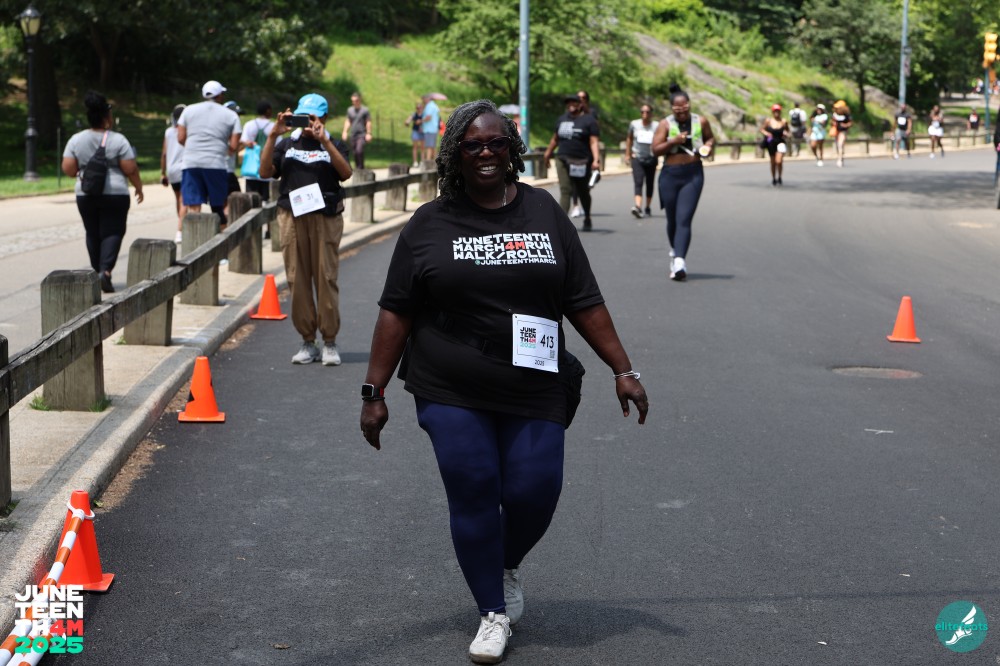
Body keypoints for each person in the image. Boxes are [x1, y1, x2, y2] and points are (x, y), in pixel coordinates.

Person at [358, 98, 648, 664]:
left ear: (512, 149)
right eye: (473, 145)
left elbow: (583, 299)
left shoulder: (543, 211)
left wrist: (624, 369)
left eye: (496, 143)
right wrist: (375, 392)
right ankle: (492, 611)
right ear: (454, 154)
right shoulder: (429, 223)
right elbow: (396, 312)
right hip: (450, 383)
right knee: (473, 487)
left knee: (535, 490)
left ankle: (504, 563)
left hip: (534, 379)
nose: (486, 153)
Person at [259, 93, 352, 366]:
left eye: (312, 118)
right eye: (303, 117)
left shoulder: (334, 143)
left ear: (324, 118)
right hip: (292, 216)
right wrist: (272, 136)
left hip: (325, 217)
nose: (308, 123)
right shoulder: (287, 143)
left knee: (326, 278)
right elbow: (265, 172)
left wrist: (325, 141)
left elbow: (345, 173)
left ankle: (330, 341)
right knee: (296, 279)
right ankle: (308, 341)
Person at [61, 90, 144, 294]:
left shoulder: (76, 140)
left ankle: (97, 271)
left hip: (86, 193)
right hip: (115, 192)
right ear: (107, 117)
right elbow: (130, 168)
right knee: (113, 231)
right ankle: (105, 271)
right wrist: (139, 187)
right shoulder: (118, 140)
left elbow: (69, 169)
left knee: (92, 232)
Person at [651, 85, 715, 281]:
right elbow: (655, 149)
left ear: (689, 105)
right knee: (672, 220)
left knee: (684, 219)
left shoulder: (700, 121)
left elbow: (710, 138)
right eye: (677, 108)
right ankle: (675, 250)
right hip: (670, 175)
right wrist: (673, 142)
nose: (682, 111)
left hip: (693, 173)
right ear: (672, 108)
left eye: (685, 107)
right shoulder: (665, 124)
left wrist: (708, 147)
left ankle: (680, 261)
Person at [177, 80, 241, 227]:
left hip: (191, 162)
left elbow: (180, 138)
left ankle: (195, 236)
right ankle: (221, 235)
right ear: (220, 95)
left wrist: (194, 148)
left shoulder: (189, 110)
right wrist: (221, 150)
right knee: (218, 206)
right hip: (216, 164)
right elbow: (234, 145)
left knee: (194, 205)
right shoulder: (231, 115)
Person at [542, 94, 601, 231]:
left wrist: (596, 160)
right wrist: (548, 153)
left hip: (582, 161)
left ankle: (587, 217)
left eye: (574, 102)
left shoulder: (589, 120)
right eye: (568, 103)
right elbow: (555, 139)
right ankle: (561, 225)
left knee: (583, 191)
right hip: (563, 159)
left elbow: (594, 142)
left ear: (580, 104)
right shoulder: (562, 119)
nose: (571, 105)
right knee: (566, 190)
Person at [625, 104, 658, 218]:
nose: (645, 114)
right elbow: (629, 138)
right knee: (638, 182)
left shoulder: (656, 126)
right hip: (637, 157)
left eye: (647, 112)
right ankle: (638, 206)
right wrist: (628, 154)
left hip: (651, 157)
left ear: (651, 113)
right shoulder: (634, 124)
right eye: (642, 112)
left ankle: (647, 207)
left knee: (650, 183)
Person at [241, 100, 276, 203]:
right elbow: (277, 145)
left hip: (251, 164)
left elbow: (243, 141)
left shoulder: (249, 124)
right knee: (265, 197)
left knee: (250, 196)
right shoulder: (273, 126)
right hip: (266, 163)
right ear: (268, 111)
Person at [160, 103, 186, 243]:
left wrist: (162, 173)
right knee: (184, 200)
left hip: (172, 170)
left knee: (178, 199)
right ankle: (180, 230)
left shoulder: (168, 132)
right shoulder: (187, 132)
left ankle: (181, 222)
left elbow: (164, 154)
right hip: (183, 168)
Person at [342, 92, 373, 168]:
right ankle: (357, 168)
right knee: (355, 152)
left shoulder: (365, 110)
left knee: (359, 150)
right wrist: (345, 132)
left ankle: (361, 168)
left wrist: (368, 133)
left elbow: (368, 122)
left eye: (356, 100)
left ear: (359, 100)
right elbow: (348, 121)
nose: (354, 102)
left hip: (362, 134)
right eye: (353, 101)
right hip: (353, 134)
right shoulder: (350, 110)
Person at [760, 104, 789, 186]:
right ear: (773, 112)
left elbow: (788, 131)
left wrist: (786, 133)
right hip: (771, 143)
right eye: (775, 111)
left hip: (780, 142)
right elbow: (762, 129)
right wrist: (767, 134)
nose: (777, 113)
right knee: (773, 162)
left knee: (778, 161)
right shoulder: (768, 121)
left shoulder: (783, 121)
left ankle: (780, 176)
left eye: (778, 111)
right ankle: (774, 178)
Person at [223, 100, 244, 198]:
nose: (237, 118)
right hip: (226, 171)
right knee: (236, 199)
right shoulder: (228, 130)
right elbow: (233, 148)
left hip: (223, 170)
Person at [831, 100, 852, 167]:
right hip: (837, 131)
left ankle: (839, 159)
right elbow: (832, 122)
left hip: (843, 131)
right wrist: (833, 123)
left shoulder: (846, 115)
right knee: (838, 145)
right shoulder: (835, 114)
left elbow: (850, 123)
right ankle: (840, 156)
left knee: (840, 144)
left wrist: (845, 125)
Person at [404, 101, 424, 167]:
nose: (419, 109)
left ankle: (422, 161)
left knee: (422, 147)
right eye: (417, 108)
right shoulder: (414, 114)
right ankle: (415, 161)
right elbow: (409, 119)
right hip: (415, 131)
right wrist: (407, 122)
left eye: (420, 108)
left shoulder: (424, 115)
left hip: (423, 132)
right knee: (415, 147)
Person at [422, 95, 441, 161]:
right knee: (433, 146)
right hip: (433, 128)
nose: (423, 101)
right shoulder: (434, 105)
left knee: (429, 146)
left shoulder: (429, 106)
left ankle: (428, 161)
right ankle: (435, 160)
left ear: (427, 99)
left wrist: (421, 121)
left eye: (423, 99)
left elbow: (428, 117)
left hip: (429, 129)